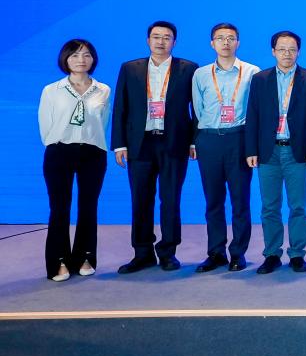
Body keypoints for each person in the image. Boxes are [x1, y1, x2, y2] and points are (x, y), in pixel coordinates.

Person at [112, 20, 199, 274]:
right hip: (140, 144)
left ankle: (168, 252)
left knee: (170, 200)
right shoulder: (130, 68)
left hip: (174, 143)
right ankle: (142, 253)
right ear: (148, 40)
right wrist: (119, 144)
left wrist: (194, 140)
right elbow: (120, 108)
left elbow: (197, 108)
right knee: (140, 200)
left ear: (174, 41)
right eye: (156, 36)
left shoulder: (188, 69)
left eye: (166, 37)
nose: (161, 41)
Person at [244, 30, 306, 275]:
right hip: (268, 152)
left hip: (296, 151)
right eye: (281, 49)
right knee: (269, 206)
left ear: (298, 52)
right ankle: (272, 254)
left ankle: (297, 254)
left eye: (292, 49)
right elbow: (253, 115)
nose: (287, 54)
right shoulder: (260, 79)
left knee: (298, 206)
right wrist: (251, 149)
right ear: (273, 51)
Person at [38, 39, 110, 281]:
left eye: (87, 55)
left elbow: (102, 123)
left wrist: (88, 140)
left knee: (89, 206)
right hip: (59, 151)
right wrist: (61, 142)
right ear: (65, 59)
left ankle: (85, 256)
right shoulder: (51, 90)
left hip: (93, 152)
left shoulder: (103, 90)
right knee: (60, 208)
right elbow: (45, 125)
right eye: (76, 55)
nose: (81, 60)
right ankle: (58, 261)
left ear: (93, 59)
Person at [191, 23, 260, 273]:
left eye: (231, 38)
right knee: (213, 200)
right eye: (220, 38)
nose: (226, 43)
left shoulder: (252, 72)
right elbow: (197, 109)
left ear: (238, 43)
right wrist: (197, 139)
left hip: (238, 139)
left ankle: (238, 253)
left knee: (240, 200)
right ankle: (216, 252)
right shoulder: (200, 74)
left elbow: (256, 111)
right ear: (212, 43)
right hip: (209, 139)